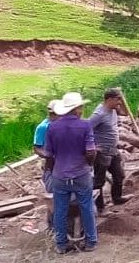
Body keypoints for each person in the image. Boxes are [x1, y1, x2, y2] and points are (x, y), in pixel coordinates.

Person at [45, 92, 98, 254]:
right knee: (86, 207)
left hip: (60, 175)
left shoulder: (52, 127)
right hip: (80, 173)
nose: (82, 109)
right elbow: (91, 151)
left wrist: (52, 171)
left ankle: (61, 244)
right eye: (81, 106)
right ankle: (90, 242)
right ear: (77, 108)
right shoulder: (85, 125)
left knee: (60, 210)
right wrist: (89, 165)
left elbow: (49, 155)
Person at [89, 87, 129, 211]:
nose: (119, 102)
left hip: (113, 150)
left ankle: (117, 198)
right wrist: (93, 146)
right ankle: (99, 207)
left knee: (119, 175)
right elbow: (85, 130)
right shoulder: (99, 114)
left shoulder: (113, 110)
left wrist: (122, 101)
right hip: (102, 152)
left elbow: (126, 113)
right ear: (109, 99)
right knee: (99, 181)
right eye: (117, 100)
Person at [32, 99, 61, 231]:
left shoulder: (61, 125)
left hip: (63, 166)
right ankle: (52, 226)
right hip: (51, 167)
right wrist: (48, 155)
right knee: (51, 198)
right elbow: (37, 148)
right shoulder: (43, 127)